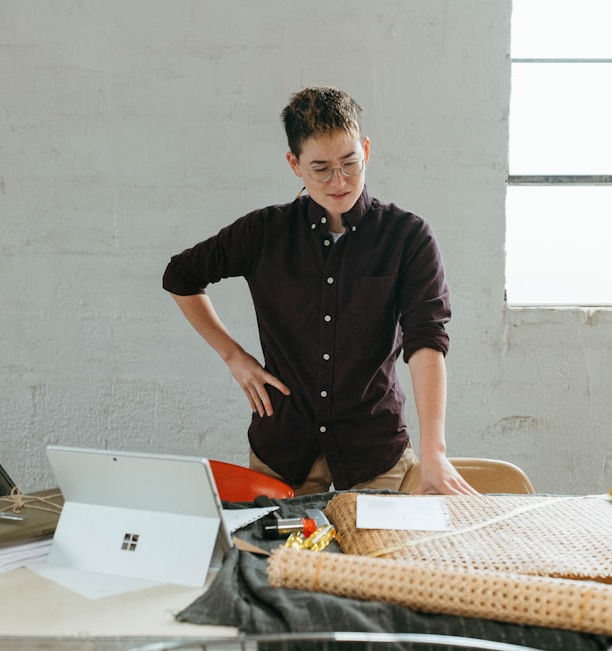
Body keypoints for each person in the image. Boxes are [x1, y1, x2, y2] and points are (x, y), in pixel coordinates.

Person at [162, 86, 477, 496]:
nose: (340, 181)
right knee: (276, 560)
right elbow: (181, 275)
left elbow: (427, 343)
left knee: (378, 559)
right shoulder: (265, 232)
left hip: (374, 449)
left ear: (366, 148)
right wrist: (234, 357)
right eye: (321, 169)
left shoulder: (407, 236)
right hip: (284, 450)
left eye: (350, 163)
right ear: (294, 163)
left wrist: (434, 453)